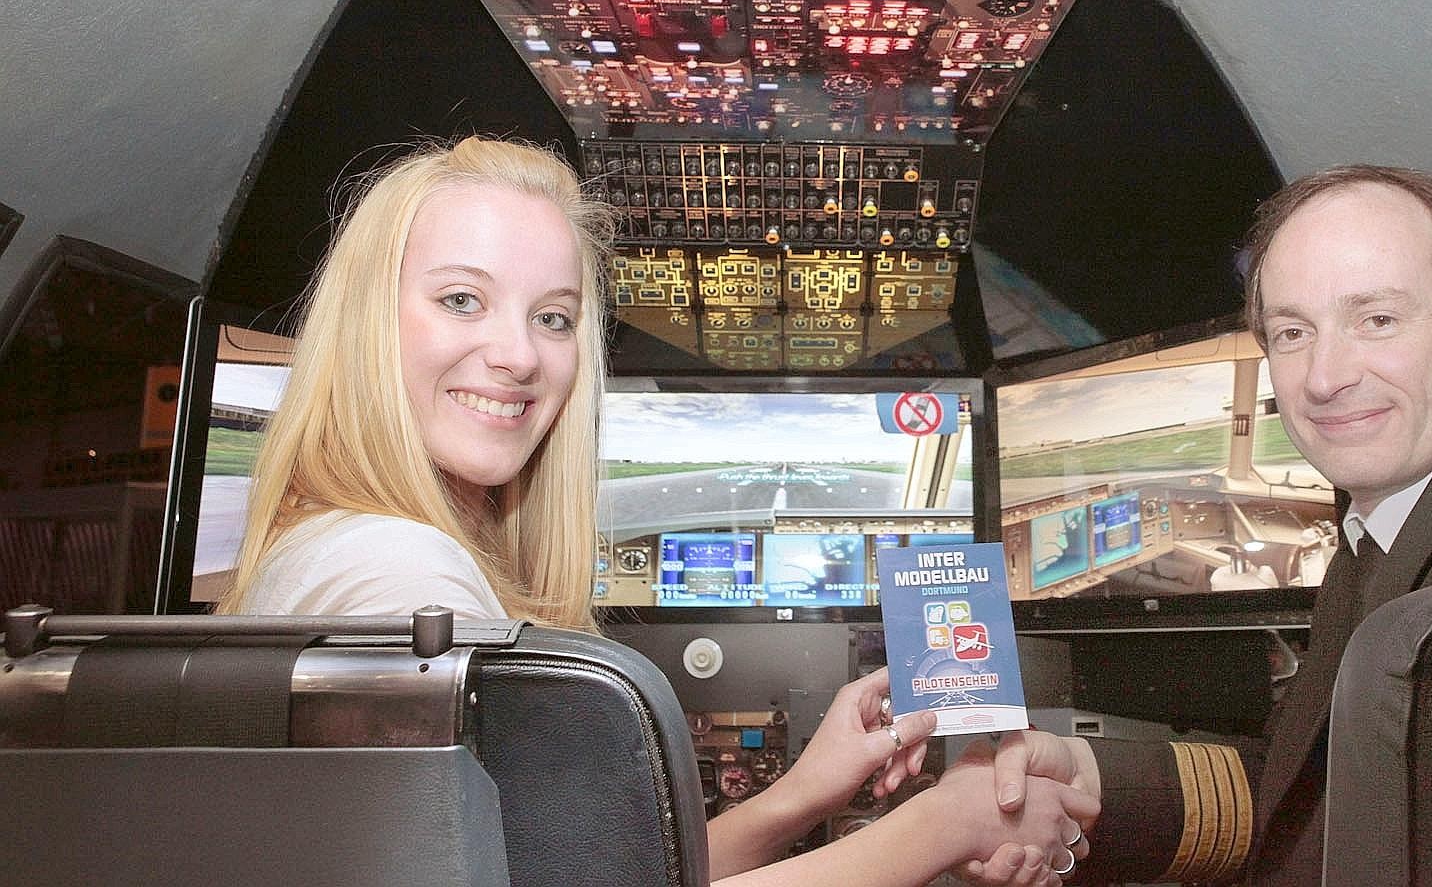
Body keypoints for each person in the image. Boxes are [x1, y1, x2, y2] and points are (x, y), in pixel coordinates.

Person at [218, 136, 1092, 887]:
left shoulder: (357, 550)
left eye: (554, 317)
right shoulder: (394, 576)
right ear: (369, 323)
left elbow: (585, 871)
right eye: (461, 299)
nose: (519, 354)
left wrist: (801, 795)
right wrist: (940, 828)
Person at [977, 165, 1432, 886]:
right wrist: (1090, 779)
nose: (1323, 377)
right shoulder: (1397, 516)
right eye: (1293, 332)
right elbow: (1311, 793)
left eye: (1376, 320)